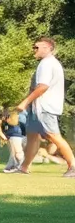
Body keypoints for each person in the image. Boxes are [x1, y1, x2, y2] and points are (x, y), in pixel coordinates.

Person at [15, 37, 73, 177]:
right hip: (39, 108)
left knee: (53, 135)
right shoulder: (50, 63)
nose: (33, 50)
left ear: (47, 48)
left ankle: (73, 166)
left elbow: (43, 86)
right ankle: (24, 167)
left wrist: (25, 102)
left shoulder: (46, 64)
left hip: (44, 107)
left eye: (36, 47)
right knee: (33, 136)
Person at [0, 108, 27, 173]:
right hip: (17, 137)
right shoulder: (14, 119)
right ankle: (13, 167)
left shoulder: (10, 120)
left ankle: (19, 167)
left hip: (15, 137)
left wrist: (4, 136)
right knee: (14, 154)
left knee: (17, 154)